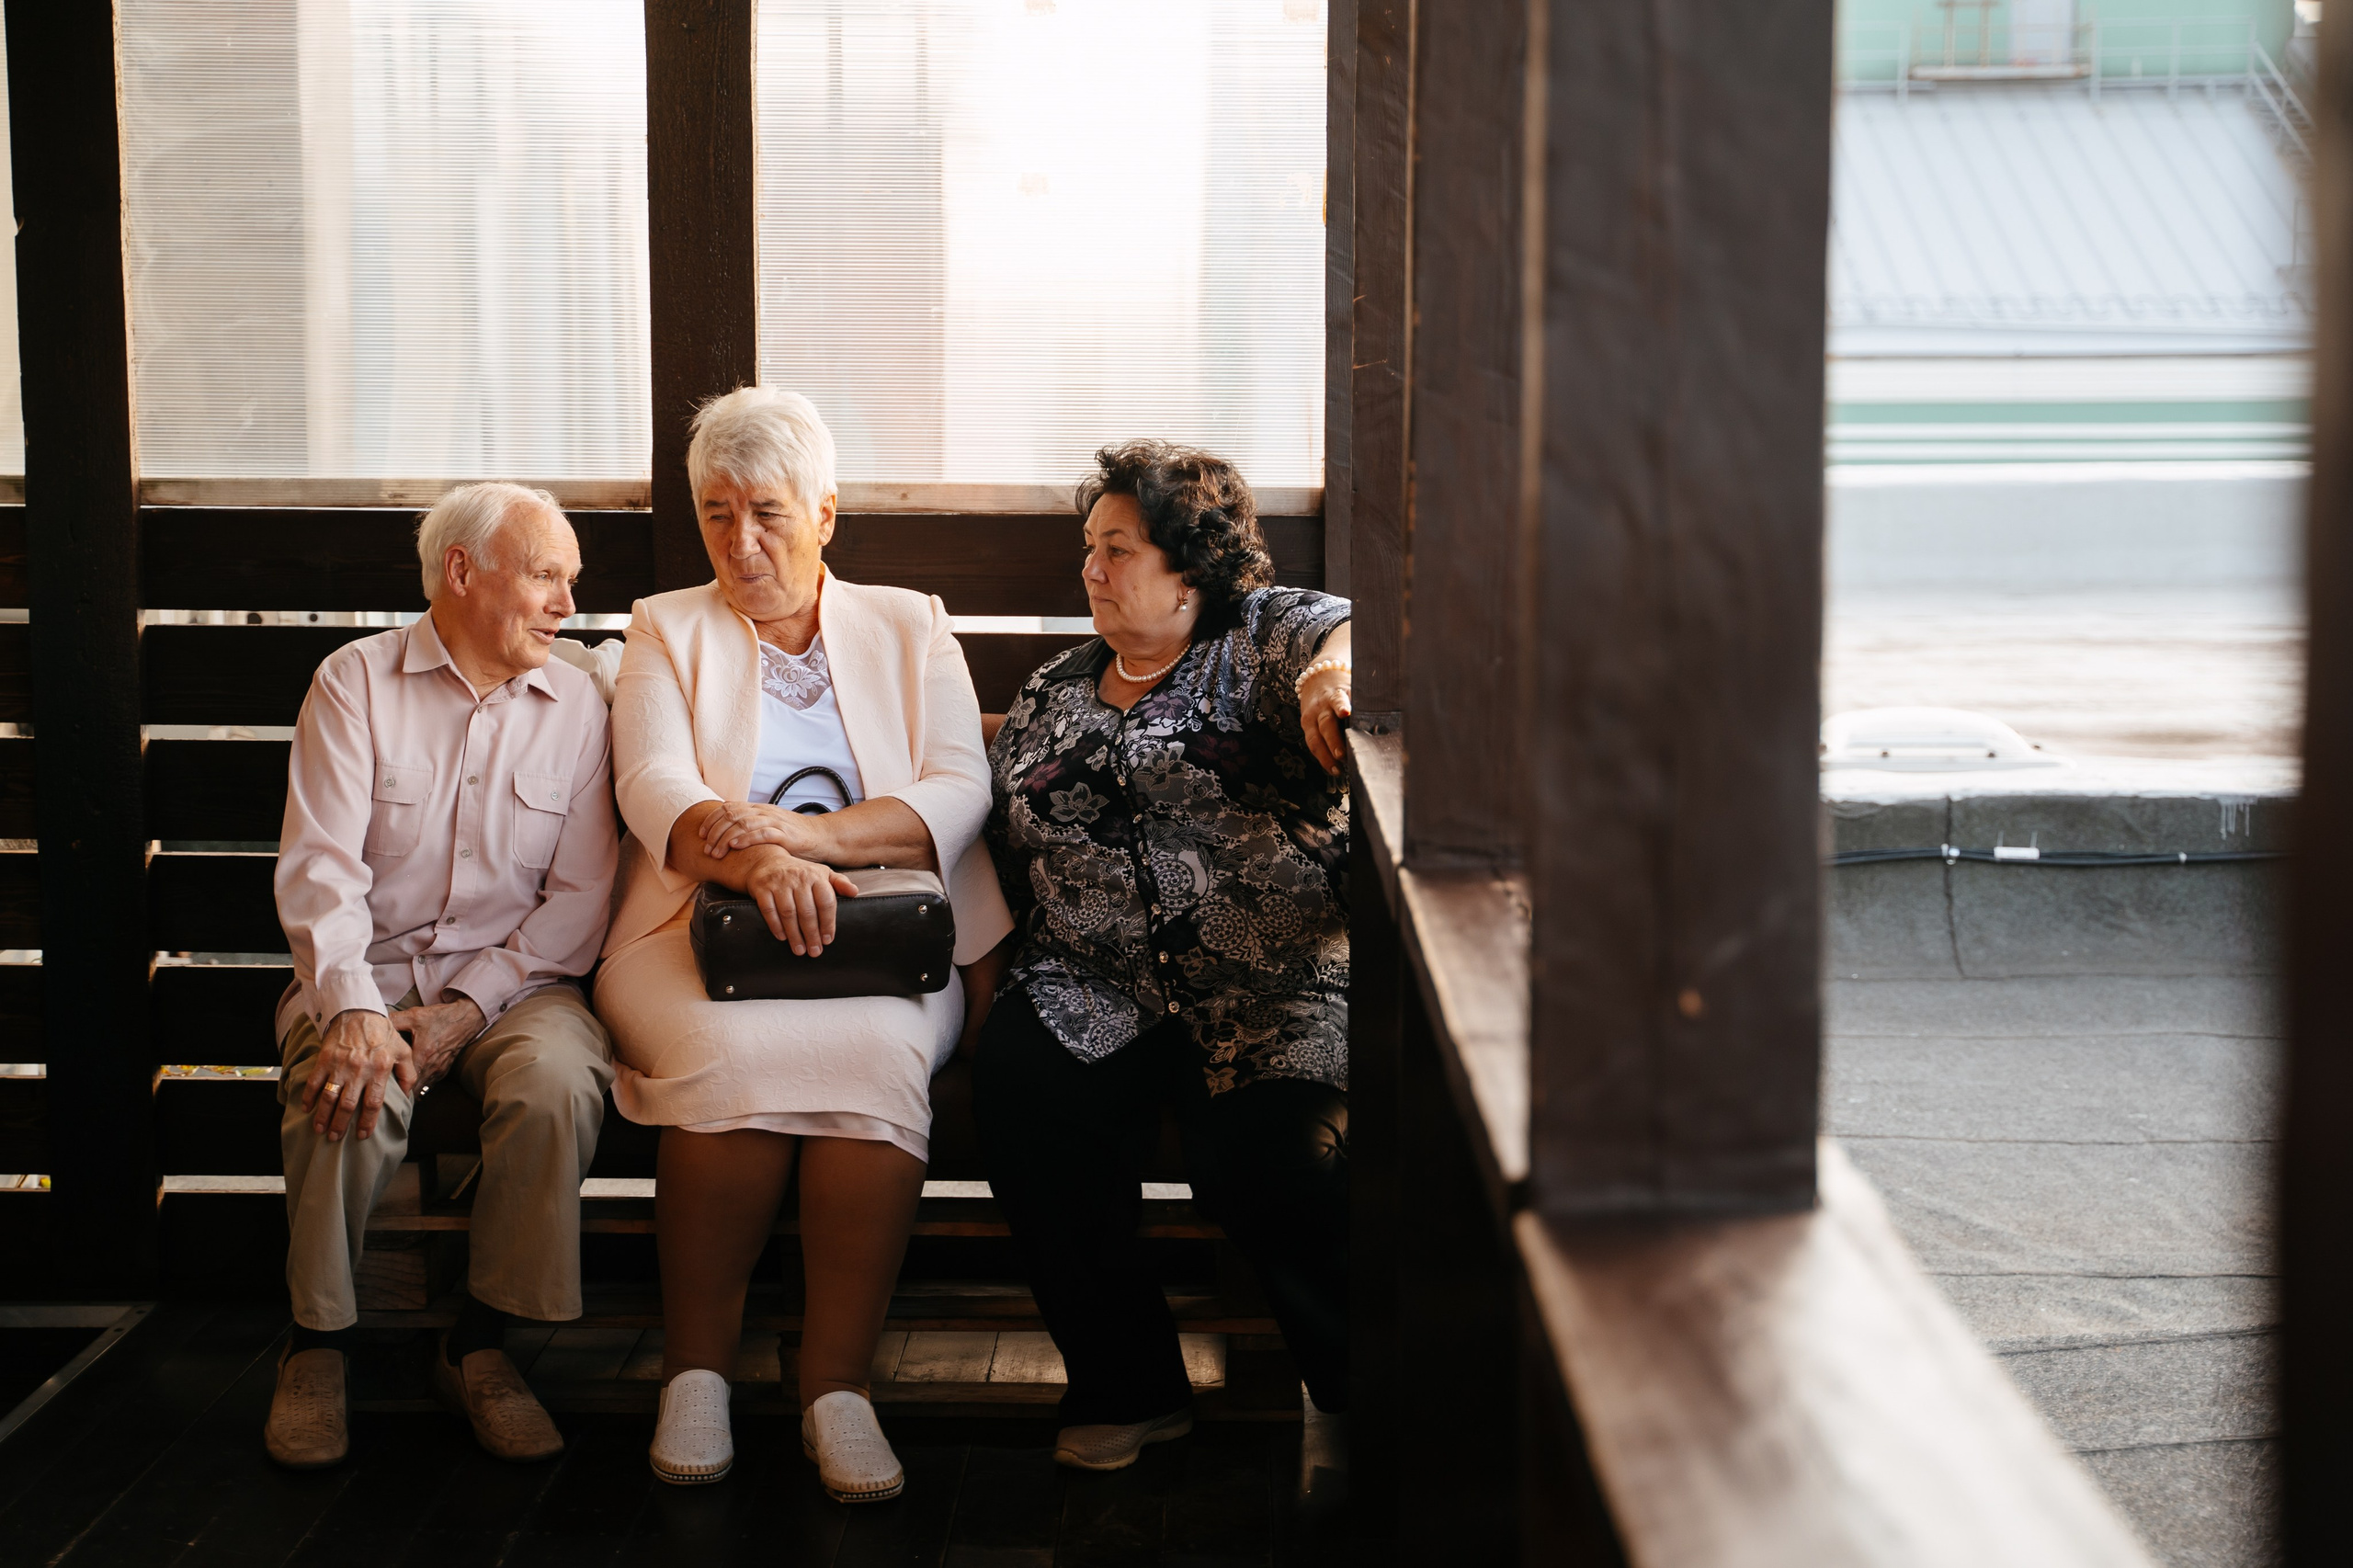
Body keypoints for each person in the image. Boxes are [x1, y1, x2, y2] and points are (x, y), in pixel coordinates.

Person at [592, 387, 1011, 1502]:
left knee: (877, 1057)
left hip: (885, 927)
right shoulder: (661, 625)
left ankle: (836, 1383)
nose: (741, 541)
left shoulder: (907, 621)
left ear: (826, 512)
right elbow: (653, 783)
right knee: (732, 1057)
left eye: (769, 512)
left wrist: (810, 838)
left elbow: (956, 783)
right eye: (717, 511)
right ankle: (697, 1372)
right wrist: (758, 862)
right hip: (697, 919)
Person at [974, 439, 1353, 1471]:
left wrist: (1332, 684)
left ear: (1190, 563)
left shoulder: (1259, 635)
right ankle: (1130, 1383)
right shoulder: (1057, 685)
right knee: (1016, 1089)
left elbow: (1340, 636)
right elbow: (997, 826)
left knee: (1267, 1163)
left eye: (1117, 548)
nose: (1091, 569)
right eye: (1089, 547)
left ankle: (1370, 1386)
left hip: (1267, 985)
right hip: (1095, 983)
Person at [266, 483, 620, 1470]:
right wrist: (355, 1008)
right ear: (462, 571)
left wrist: (467, 1008)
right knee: (348, 1081)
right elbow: (319, 870)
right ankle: (320, 1344)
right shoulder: (354, 682)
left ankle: (482, 1343)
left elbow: (580, 899)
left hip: (517, 982)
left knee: (556, 1082)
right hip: (364, 971)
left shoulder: (579, 705)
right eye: (546, 574)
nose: (565, 602)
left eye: (571, 582)